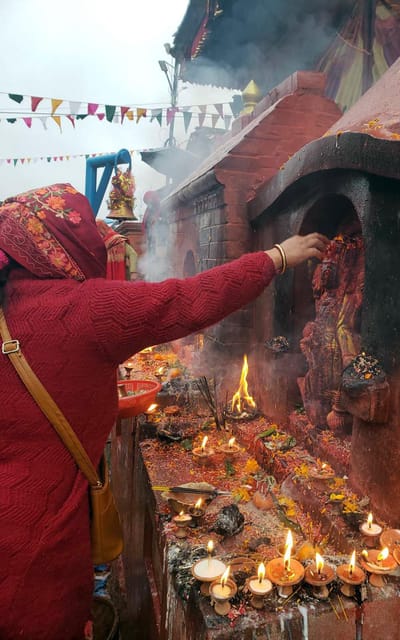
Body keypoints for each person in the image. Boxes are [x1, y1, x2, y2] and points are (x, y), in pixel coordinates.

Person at [0, 183, 329, 640]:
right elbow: (186, 300)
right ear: (66, 245)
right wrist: (276, 256)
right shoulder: (81, 309)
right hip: (31, 557)